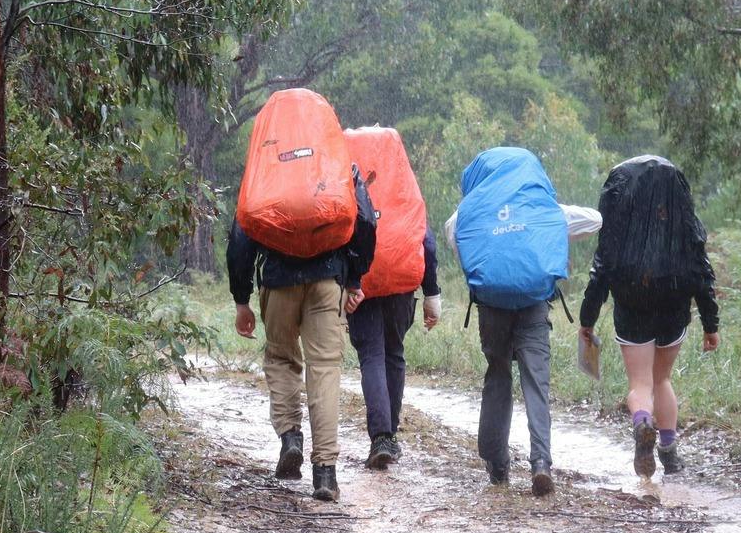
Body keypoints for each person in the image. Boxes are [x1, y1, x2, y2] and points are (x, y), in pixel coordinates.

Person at [446, 148, 600, 498]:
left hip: (492, 307)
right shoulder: (544, 210)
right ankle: (541, 463)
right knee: (536, 383)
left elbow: (454, 237)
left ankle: (497, 465)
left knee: (498, 374)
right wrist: (545, 218)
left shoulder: (469, 213)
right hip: (533, 306)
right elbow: (595, 220)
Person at [228, 174, 377, 503]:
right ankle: (325, 472)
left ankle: (291, 437)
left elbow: (241, 234)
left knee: (281, 358)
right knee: (324, 368)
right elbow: (365, 220)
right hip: (326, 279)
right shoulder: (336, 160)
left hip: (278, 278)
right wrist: (354, 278)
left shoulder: (266, 166)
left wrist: (242, 298)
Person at [577, 155, 719, 478]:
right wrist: (711, 325)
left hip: (632, 302)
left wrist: (588, 319)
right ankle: (669, 453)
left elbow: (601, 271)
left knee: (640, 383)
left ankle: (642, 423)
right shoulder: (682, 226)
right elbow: (701, 270)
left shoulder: (618, 229)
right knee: (662, 379)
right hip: (674, 302)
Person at [347, 227, 440, 469]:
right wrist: (432, 292)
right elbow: (426, 240)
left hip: (362, 283)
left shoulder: (352, 188)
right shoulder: (403, 189)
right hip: (400, 282)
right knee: (394, 354)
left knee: (372, 357)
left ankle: (381, 438)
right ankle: (390, 436)